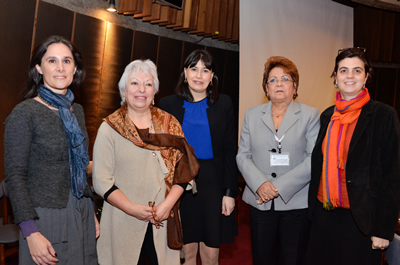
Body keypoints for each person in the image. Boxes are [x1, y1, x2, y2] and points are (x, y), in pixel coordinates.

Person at [92, 59, 199, 265]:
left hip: (163, 220)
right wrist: (132, 208)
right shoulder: (110, 128)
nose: (141, 89)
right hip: (123, 220)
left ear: (154, 92)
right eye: (134, 83)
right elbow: (101, 181)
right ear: (124, 91)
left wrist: (168, 205)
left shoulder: (169, 123)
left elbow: (184, 170)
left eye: (148, 84)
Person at [4, 35, 99, 265]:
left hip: (81, 211)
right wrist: (30, 232)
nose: (60, 68)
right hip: (44, 216)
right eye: (52, 61)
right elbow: (15, 177)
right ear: (39, 67)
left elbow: (78, 164)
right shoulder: (24, 113)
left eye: (67, 61)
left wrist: (92, 211)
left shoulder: (76, 111)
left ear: (75, 68)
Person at [306, 47, 400, 265]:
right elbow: (318, 165)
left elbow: (392, 176)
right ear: (335, 78)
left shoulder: (384, 115)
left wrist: (383, 230)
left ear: (366, 77)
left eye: (357, 71)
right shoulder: (328, 115)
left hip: (361, 220)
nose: (350, 76)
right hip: (324, 214)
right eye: (343, 70)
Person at [236, 56, 320, 265]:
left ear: (295, 86)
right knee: (262, 258)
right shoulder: (252, 115)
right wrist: (261, 185)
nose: (279, 84)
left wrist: (277, 187)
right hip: (260, 202)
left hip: (296, 204)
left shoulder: (310, 115)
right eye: (272, 80)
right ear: (266, 88)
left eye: (285, 78)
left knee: (292, 259)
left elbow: (313, 159)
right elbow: (243, 155)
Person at [158, 49, 239, 265]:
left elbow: (231, 151)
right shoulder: (167, 105)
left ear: (212, 76)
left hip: (213, 184)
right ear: (185, 72)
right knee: (186, 251)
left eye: (205, 70)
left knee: (211, 253)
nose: (199, 75)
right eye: (193, 69)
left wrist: (230, 193)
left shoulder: (224, 104)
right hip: (180, 184)